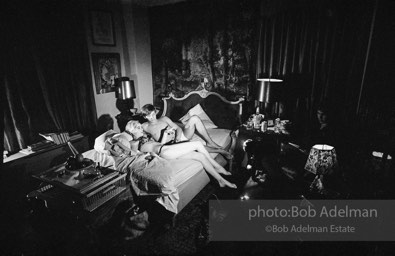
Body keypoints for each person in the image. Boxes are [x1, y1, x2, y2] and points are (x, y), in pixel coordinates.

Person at [124, 120, 237, 189]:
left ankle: (220, 180)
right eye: (138, 128)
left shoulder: (144, 136)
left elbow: (156, 145)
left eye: (140, 126)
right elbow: (136, 156)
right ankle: (218, 167)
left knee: (200, 156)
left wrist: (164, 135)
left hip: (166, 149)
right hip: (164, 151)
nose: (141, 129)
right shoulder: (133, 142)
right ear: (132, 131)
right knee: (197, 144)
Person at [140, 104, 233, 159]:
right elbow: (139, 138)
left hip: (180, 137)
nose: (151, 117)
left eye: (153, 114)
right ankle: (220, 150)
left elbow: (179, 128)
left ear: (155, 112)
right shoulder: (144, 126)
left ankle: (210, 142)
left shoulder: (164, 119)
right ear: (144, 117)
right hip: (170, 145)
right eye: (148, 116)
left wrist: (177, 138)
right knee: (195, 145)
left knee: (195, 118)